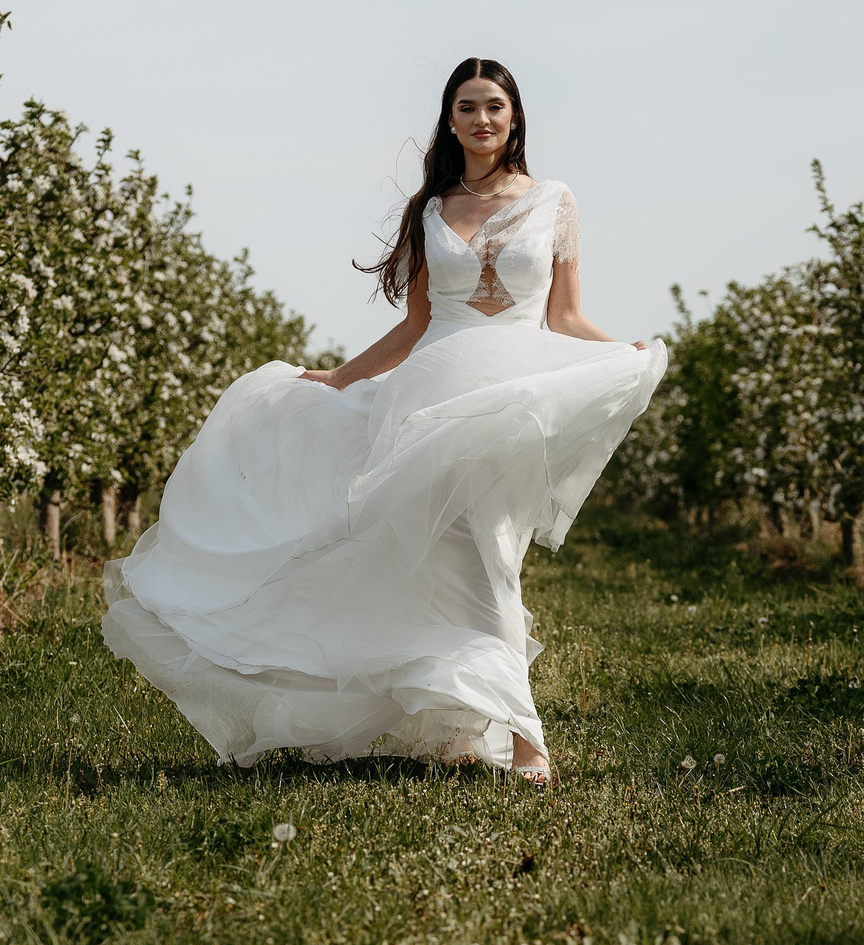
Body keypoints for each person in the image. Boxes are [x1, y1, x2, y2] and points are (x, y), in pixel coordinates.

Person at [102, 57, 666, 785]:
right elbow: (418, 324)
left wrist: (625, 351)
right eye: (467, 107)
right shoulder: (431, 209)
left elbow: (563, 315)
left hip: (511, 399)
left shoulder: (556, 201)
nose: (482, 119)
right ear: (450, 119)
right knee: (459, 554)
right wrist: (340, 378)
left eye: (494, 105)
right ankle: (510, 736)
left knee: (486, 551)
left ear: (516, 116)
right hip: (432, 394)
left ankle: (493, 726)